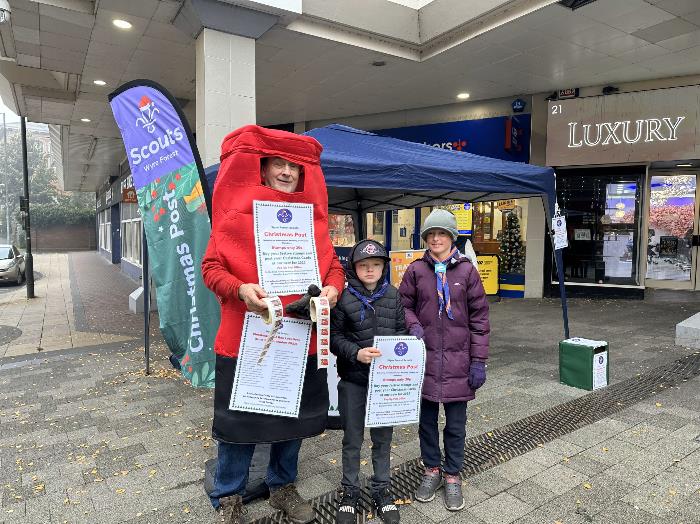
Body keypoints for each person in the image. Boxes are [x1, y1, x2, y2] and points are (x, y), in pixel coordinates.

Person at [202, 126, 345, 524]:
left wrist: (333, 289)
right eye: (277, 164)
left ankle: (282, 486)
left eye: (293, 167)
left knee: (292, 421)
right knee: (239, 424)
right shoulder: (233, 216)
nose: (286, 172)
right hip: (245, 338)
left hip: (301, 339)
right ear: (262, 171)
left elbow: (334, 268)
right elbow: (211, 268)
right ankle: (228, 496)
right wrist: (239, 287)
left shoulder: (311, 222)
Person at [398, 209, 490, 511]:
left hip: (458, 363)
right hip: (423, 362)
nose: (435, 238)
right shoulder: (415, 270)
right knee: (426, 422)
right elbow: (404, 305)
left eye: (442, 233)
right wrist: (412, 324)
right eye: (430, 234)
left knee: (455, 424)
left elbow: (479, 320)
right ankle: (431, 469)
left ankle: (452, 474)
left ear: (452, 237)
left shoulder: (467, 272)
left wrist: (479, 361)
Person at [330, 239, 406, 524]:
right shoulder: (344, 298)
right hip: (354, 380)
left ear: (384, 267)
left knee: (383, 439)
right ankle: (349, 492)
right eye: (364, 265)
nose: (370, 270)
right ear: (355, 268)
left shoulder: (393, 296)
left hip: (385, 384)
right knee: (352, 438)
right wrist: (356, 353)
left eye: (376, 265)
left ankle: (381, 490)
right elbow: (334, 338)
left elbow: (402, 333)